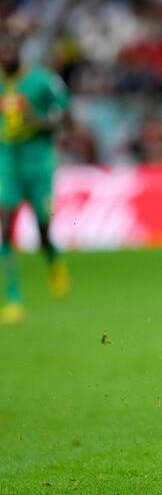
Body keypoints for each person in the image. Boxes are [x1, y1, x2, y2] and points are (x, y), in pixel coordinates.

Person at [0, 33, 71, 325]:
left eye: (9, 49)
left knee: (43, 229)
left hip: (39, 164)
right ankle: (13, 299)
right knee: (4, 228)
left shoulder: (42, 81)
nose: (5, 55)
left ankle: (53, 261)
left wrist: (35, 120)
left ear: (20, 51)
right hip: (7, 164)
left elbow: (65, 117)